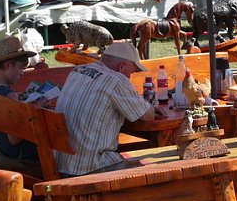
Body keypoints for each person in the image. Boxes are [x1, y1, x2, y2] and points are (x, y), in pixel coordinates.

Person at [54, 41, 161, 177]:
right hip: (90, 168)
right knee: (155, 170)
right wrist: (150, 107)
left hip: (63, 164)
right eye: (132, 72)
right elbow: (148, 116)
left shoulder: (77, 71)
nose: (130, 77)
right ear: (122, 67)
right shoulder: (116, 80)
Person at [0, 36, 43, 179]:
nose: (22, 73)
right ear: (8, 65)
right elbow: (15, 139)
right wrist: (31, 112)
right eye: (20, 68)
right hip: (21, 155)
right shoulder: (9, 96)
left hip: (3, 149)